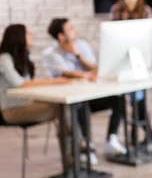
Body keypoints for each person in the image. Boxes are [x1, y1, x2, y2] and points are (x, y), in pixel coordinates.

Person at [42, 18, 127, 163]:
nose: (75, 30)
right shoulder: (51, 53)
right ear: (61, 36)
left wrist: (77, 55)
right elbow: (66, 73)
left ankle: (111, 138)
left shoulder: (82, 45)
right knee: (81, 104)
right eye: (70, 29)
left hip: (91, 94)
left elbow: (95, 69)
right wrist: (86, 74)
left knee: (118, 98)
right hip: (70, 100)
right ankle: (86, 147)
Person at [109, 0, 152, 141]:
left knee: (138, 99)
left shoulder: (146, 11)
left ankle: (142, 132)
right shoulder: (116, 10)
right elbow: (112, 37)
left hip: (139, 60)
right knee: (122, 99)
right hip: (121, 60)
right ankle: (140, 134)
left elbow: (147, 37)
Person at [0, 24, 69, 127]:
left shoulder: (22, 58)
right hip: (11, 109)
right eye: (27, 33)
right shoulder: (4, 58)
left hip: (26, 103)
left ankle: (75, 141)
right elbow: (20, 83)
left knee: (64, 104)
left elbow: (29, 83)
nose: (31, 35)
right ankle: (76, 142)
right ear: (18, 36)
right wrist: (53, 81)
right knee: (62, 108)